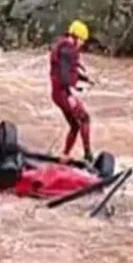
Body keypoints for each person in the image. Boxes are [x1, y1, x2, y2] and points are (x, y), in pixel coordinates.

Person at [49, 19, 94, 162]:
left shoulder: (63, 48)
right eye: (82, 41)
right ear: (76, 37)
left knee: (75, 125)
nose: (82, 44)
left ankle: (65, 156)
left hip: (57, 93)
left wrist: (85, 79)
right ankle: (88, 155)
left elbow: (67, 70)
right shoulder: (69, 50)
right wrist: (70, 94)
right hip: (64, 93)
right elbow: (64, 75)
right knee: (84, 119)